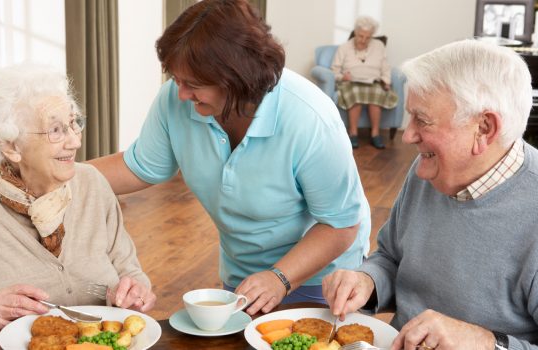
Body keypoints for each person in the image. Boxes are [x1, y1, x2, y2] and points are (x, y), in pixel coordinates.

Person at [89, 0, 370, 316]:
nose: (180, 93)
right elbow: (138, 166)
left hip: (323, 279)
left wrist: (280, 277)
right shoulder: (176, 100)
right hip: (245, 275)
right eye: (176, 79)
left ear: (236, 77)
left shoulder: (309, 118)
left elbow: (341, 225)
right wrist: (52, 174)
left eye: (192, 84)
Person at [322, 40, 538, 349]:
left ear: (484, 128)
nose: (408, 135)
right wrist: (367, 281)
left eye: (421, 120)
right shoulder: (429, 170)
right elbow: (391, 257)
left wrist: (488, 343)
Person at [0, 64, 156, 343]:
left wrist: (135, 292)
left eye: (74, 123)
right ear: (11, 147)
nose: (75, 140)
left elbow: (130, 272)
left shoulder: (93, 185)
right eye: (55, 130)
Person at [331, 15, 398, 150]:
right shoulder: (344, 48)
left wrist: (386, 81)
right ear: (355, 32)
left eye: (368, 37)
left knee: (377, 94)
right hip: (350, 83)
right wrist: (343, 77)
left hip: (373, 82)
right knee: (355, 93)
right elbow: (334, 70)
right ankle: (353, 133)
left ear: (372, 35)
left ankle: (375, 134)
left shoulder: (379, 46)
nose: (363, 40)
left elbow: (385, 67)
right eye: (361, 36)